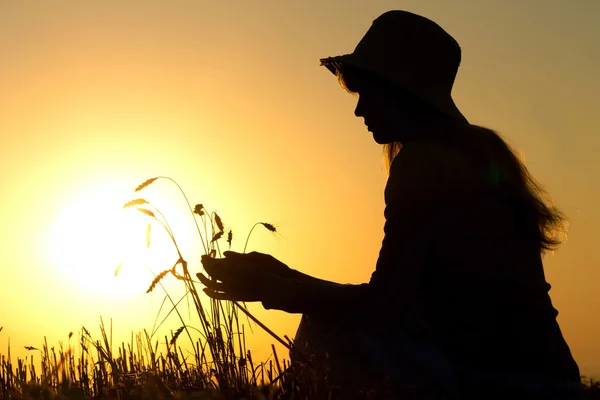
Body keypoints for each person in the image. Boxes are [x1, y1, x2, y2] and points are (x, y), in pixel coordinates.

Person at [198, 10, 582, 399]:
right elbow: (402, 302)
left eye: (367, 93)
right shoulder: (485, 154)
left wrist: (272, 288)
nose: (359, 110)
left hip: (496, 384)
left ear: (399, 92)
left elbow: (384, 307)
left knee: (325, 326)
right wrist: (285, 276)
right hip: (555, 383)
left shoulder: (420, 164)